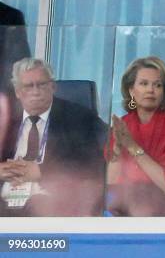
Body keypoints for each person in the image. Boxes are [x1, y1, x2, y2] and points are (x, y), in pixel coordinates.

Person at [0, 58, 105, 216]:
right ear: (17, 92)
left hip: (53, 203)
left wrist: (41, 171)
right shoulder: (5, 119)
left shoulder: (79, 118)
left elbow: (94, 164)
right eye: (28, 86)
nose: (36, 91)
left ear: (53, 87)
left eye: (41, 85)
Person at [106, 56, 165, 216]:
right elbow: (110, 183)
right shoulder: (123, 123)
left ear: (163, 92)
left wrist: (131, 146)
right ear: (131, 90)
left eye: (157, 85)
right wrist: (117, 146)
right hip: (123, 205)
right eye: (144, 84)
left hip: (159, 206)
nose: (150, 90)